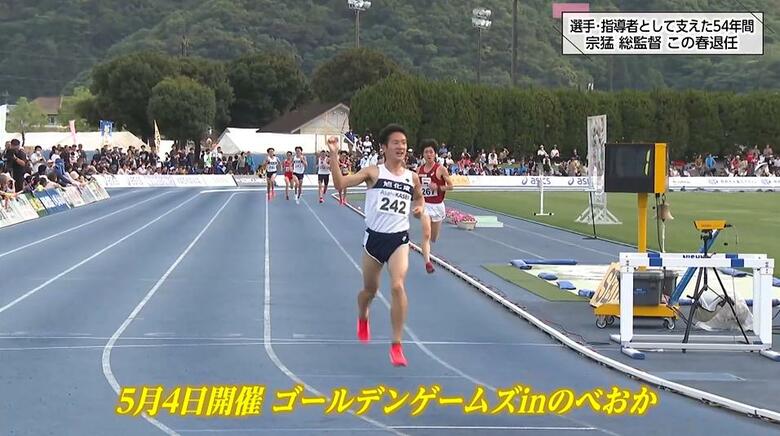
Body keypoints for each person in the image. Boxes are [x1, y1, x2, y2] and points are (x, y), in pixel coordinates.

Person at [327, 124, 426, 367]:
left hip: (399, 240)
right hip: (374, 240)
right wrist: (334, 154)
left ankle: (396, 345)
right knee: (369, 291)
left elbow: (419, 197)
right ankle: (363, 315)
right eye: (396, 142)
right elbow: (340, 184)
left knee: (397, 285)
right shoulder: (373, 172)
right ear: (384, 147)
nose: (401, 146)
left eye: (404, 142)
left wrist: (419, 208)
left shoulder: (411, 177)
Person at [418, 139, 453, 273]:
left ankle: (431, 243)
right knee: (426, 234)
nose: (429, 154)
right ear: (423, 154)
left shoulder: (441, 169)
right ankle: (427, 262)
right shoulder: (419, 170)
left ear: (435, 154)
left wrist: (437, 187)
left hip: (438, 206)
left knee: (433, 238)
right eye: (426, 152)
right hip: (425, 205)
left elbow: (451, 186)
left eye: (431, 152)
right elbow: (415, 187)